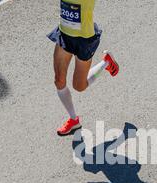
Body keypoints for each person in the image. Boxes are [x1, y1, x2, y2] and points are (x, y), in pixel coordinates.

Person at [47, 0, 119, 136]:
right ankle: (74, 120)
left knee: (79, 86)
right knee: (59, 80)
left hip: (84, 40)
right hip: (65, 35)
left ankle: (106, 63)